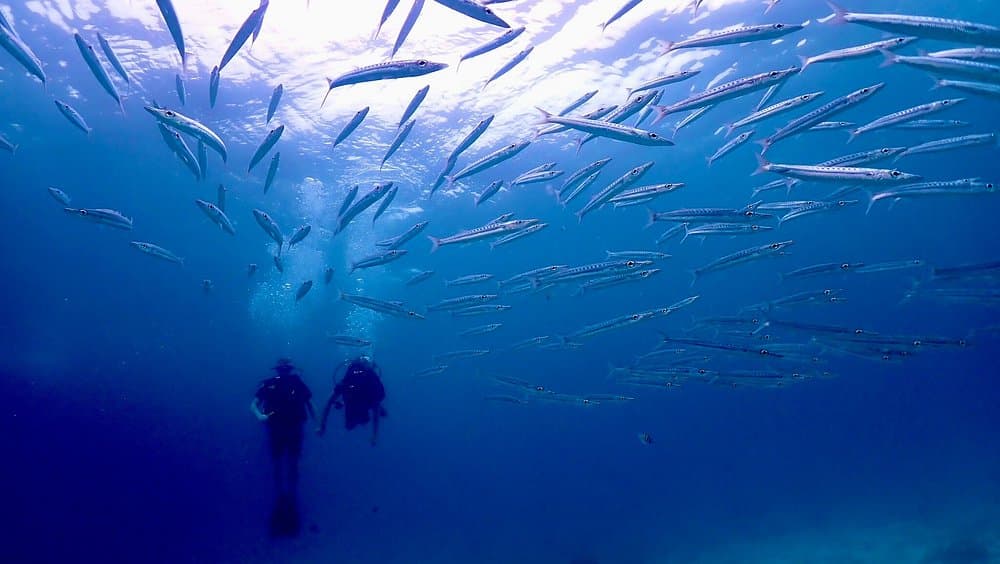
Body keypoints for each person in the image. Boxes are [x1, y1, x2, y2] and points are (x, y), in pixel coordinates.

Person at [251, 358, 315, 537]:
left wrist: (318, 424)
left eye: (287, 370)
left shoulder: (298, 383)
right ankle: (280, 493)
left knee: (292, 461)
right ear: (277, 370)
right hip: (276, 427)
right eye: (282, 370)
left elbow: (310, 404)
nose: (284, 372)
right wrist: (260, 416)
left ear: (290, 370)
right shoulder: (269, 384)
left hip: (294, 426)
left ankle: (291, 493)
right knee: (278, 460)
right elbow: (253, 404)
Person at [317, 356, 386, 446]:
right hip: (361, 401)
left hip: (363, 401)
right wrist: (374, 436)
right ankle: (346, 403)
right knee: (353, 423)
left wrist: (322, 425)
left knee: (357, 421)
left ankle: (346, 403)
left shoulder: (349, 382)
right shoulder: (349, 383)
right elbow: (329, 403)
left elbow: (329, 403)